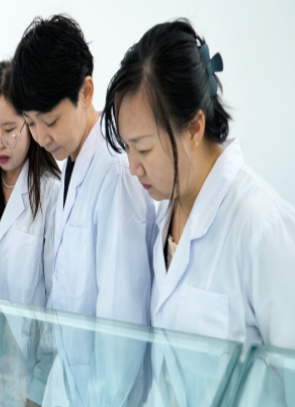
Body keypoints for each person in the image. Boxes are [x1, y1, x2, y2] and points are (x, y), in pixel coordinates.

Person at [103, 19, 295, 349]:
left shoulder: (260, 225)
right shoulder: (166, 211)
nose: (133, 167)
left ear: (194, 128)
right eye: (127, 147)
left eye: (144, 149)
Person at [10, 15, 155, 324]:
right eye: (31, 124)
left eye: (51, 121)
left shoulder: (115, 174)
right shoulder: (72, 162)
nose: (41, 138)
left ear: (86, 92)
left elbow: (121, 318)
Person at [0, 60, 60, 307]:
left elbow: (55, 293)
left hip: (29, 332)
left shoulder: (52, 193)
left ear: (30, 123)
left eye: (9, 130)